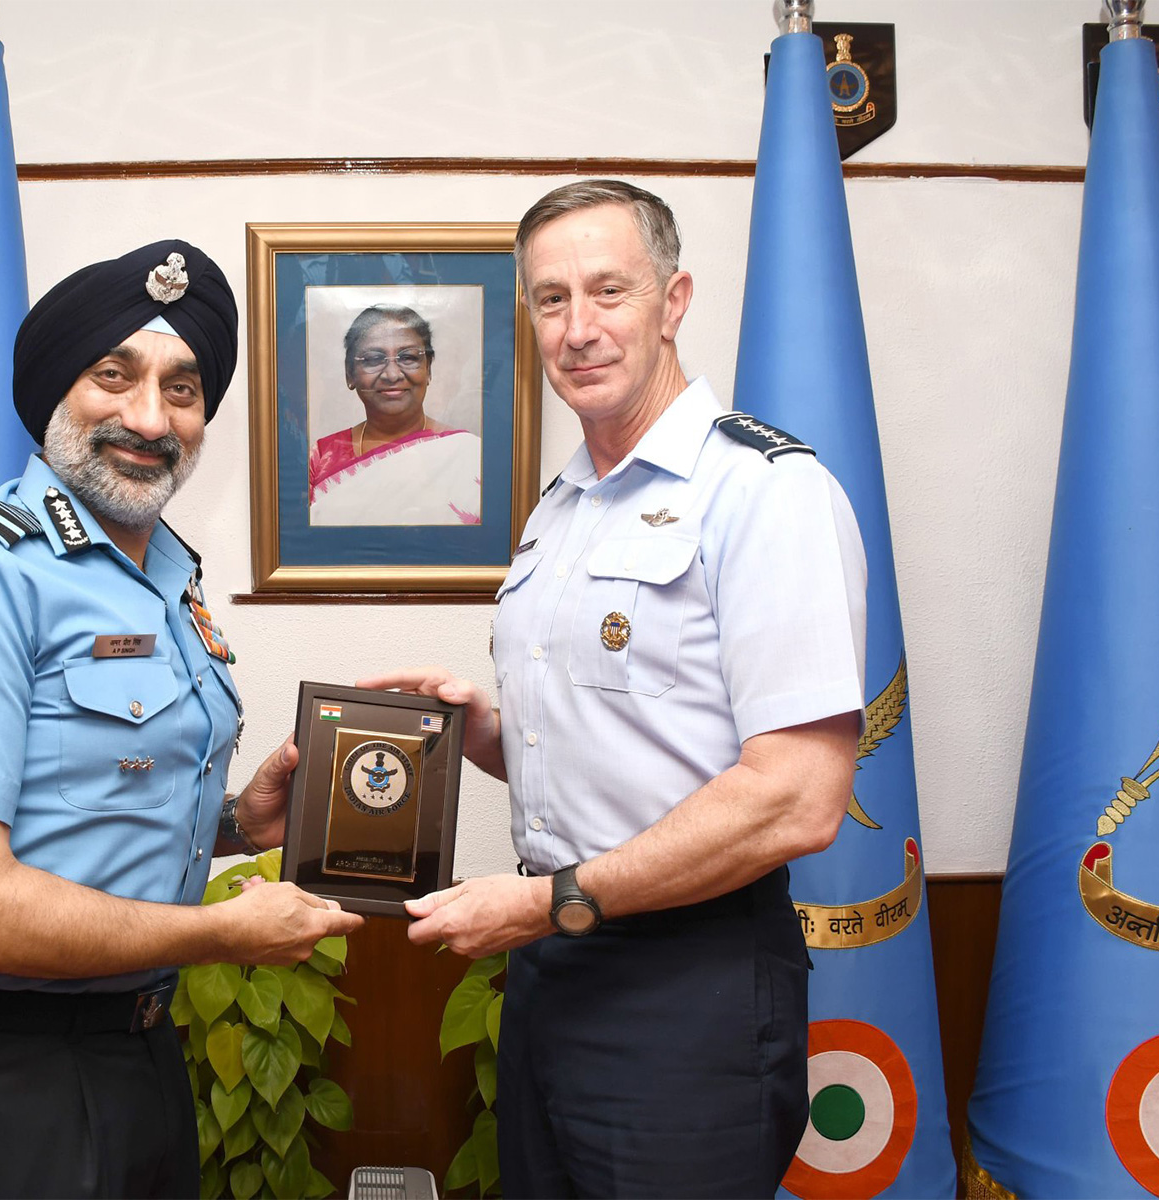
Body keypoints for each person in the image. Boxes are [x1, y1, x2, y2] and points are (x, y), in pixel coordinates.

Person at [363, 180, 868, 1198]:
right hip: (556, 970)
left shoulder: (764, 492)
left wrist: (554, 904)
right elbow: (609, 743)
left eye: (608, 291)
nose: (578, 328)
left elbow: (797, 797)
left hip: (691, 984)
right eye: (550, 300)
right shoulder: (565, 508)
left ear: (673, 300)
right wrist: (482, 732)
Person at [0, 239, 363, 1199]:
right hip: (0, 1080)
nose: (148, 417)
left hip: (136, 1056)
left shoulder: (167, 574)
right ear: (55, 391)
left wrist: (233, 825)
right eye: (113, 376)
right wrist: (222, 934)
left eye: (182, 388)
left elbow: (75, 806)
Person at [308, 303, 482, 526]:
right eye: (372, 359)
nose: (392, 374)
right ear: (349, 373)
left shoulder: (469, 456)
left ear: (428, 369)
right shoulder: (320, 459)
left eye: (408, 358)